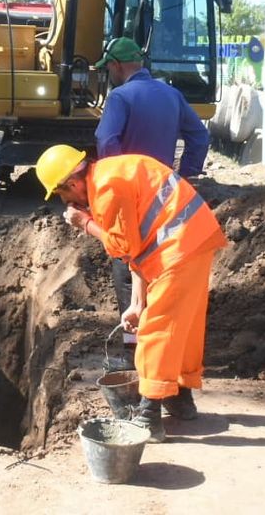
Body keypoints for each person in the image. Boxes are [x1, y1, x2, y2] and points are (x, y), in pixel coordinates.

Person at [37, 145, 226, 442]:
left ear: (73, 183)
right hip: (190, 241)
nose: (68, 202)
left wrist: (85, 223)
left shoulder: (108, 188)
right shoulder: (111, 175)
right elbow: (135, 254)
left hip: (179, 248)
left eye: (63, 195)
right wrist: (137, 303)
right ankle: (179, 398)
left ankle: (149, 416)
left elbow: (123, 247)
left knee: (158, 329)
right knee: (182, 326)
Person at [93, 36, 210, 372]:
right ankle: (163, 351)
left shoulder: (120, 97)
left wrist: (115, 178)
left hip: (131, 201)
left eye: (109, 69)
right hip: (166, 201)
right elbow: (199, 136)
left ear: (116, 66)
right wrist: (183, 177)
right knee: (160, 273)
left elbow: (105, 138)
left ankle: (136, 351)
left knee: (128, 268)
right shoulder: (172, 94)